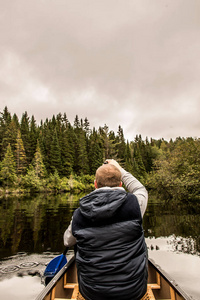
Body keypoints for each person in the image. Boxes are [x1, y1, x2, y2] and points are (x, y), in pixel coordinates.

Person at [63, 159, 148, 300]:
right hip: (134, 292)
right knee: (141, 241)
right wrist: (120, 169)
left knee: (77, 241)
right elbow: (140, 189)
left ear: (95, 184)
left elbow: (67, 241)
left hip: (92, 294)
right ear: (121, 184)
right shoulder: (135, 204)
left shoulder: (78, 214)